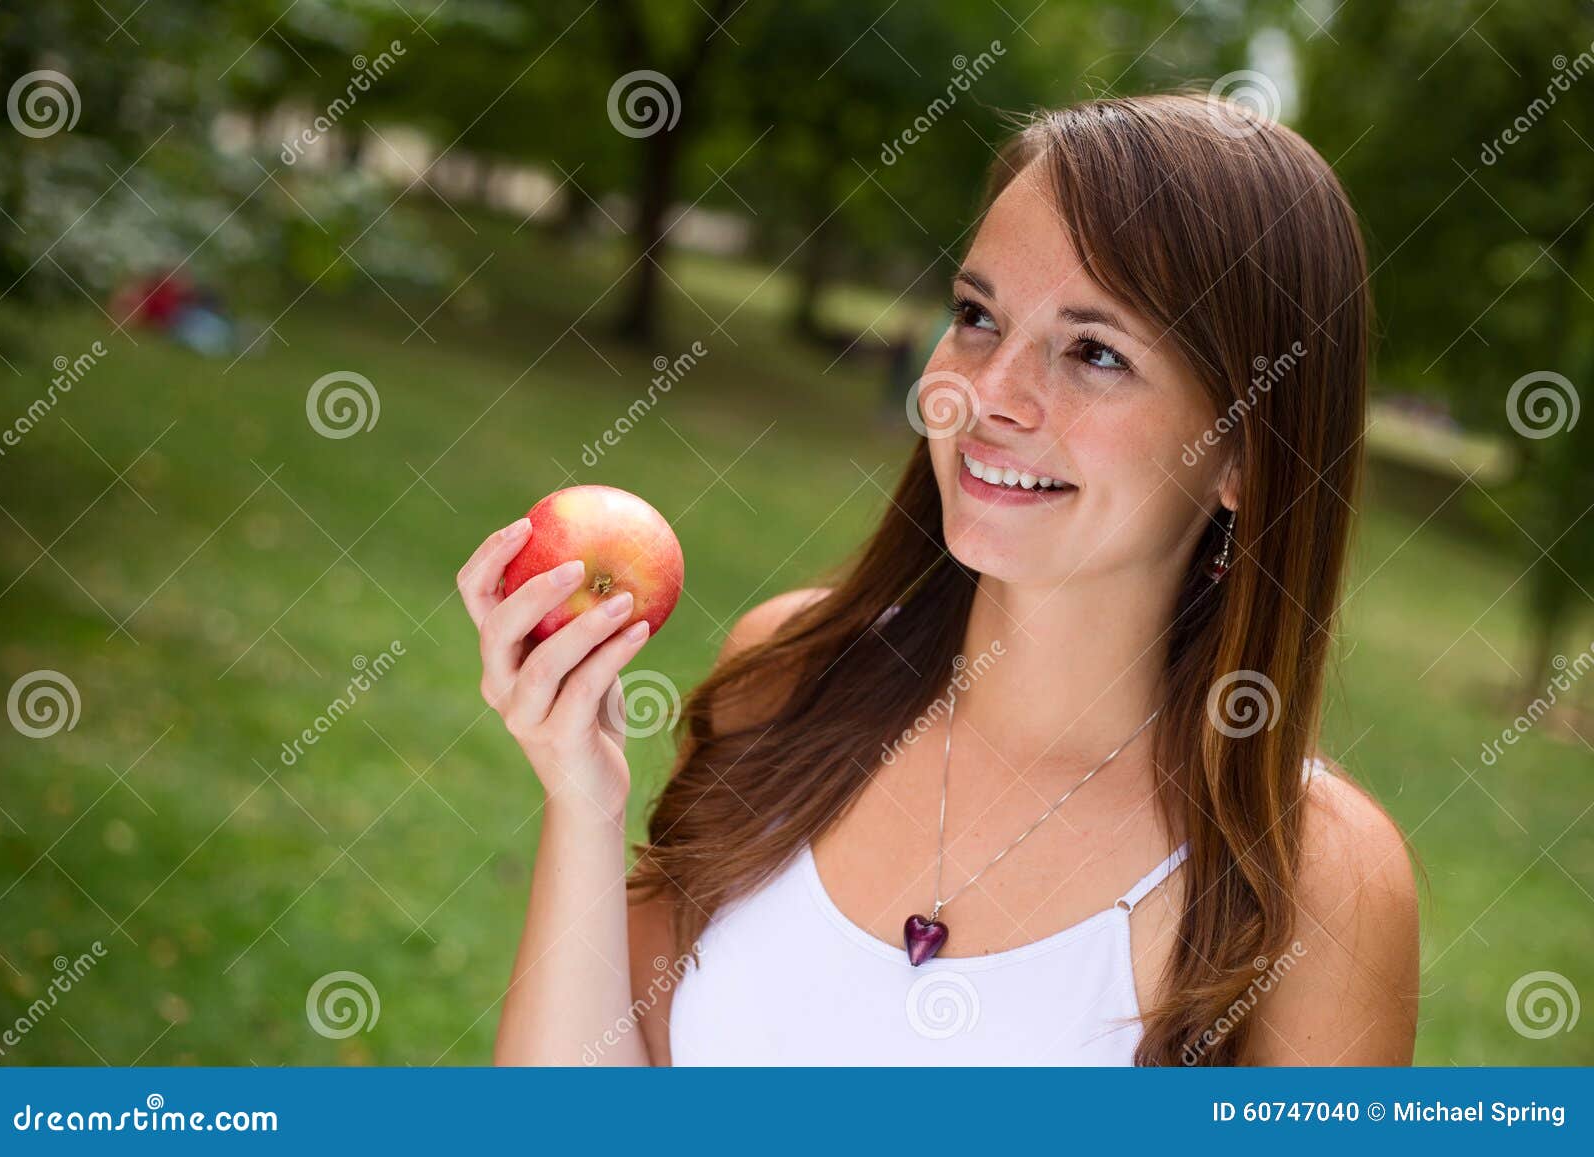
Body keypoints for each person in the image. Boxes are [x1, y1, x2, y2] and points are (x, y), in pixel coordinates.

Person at [459, 91, 1420, 1066]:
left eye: (1094, 351)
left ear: (1243, 456)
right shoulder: (789, 680)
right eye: (976, 316)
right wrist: (584, 804)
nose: (985, 391)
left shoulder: (1311, 874)